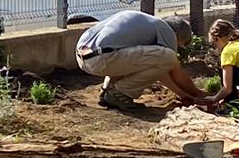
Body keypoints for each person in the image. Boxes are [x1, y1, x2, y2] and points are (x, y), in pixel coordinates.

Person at [76, 11, 213, 111]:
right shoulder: (166, 30)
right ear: (178, 35)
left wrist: (182, 94)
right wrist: (198, 94)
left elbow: (159, 70)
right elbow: (171, 71)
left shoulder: (144, 22)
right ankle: (119, 92)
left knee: (131, 54)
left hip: (84, 57)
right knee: (168, 57)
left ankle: (107, 91)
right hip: (103, 58)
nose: (177, 48)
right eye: (179, 45)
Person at [208, 17, 239, 105]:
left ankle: (231, 105)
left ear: (217, 38)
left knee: (226, 71)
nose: (217, 48)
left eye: (214, 44)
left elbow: (228, 88)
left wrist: (214, 99)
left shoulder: (228, 50)